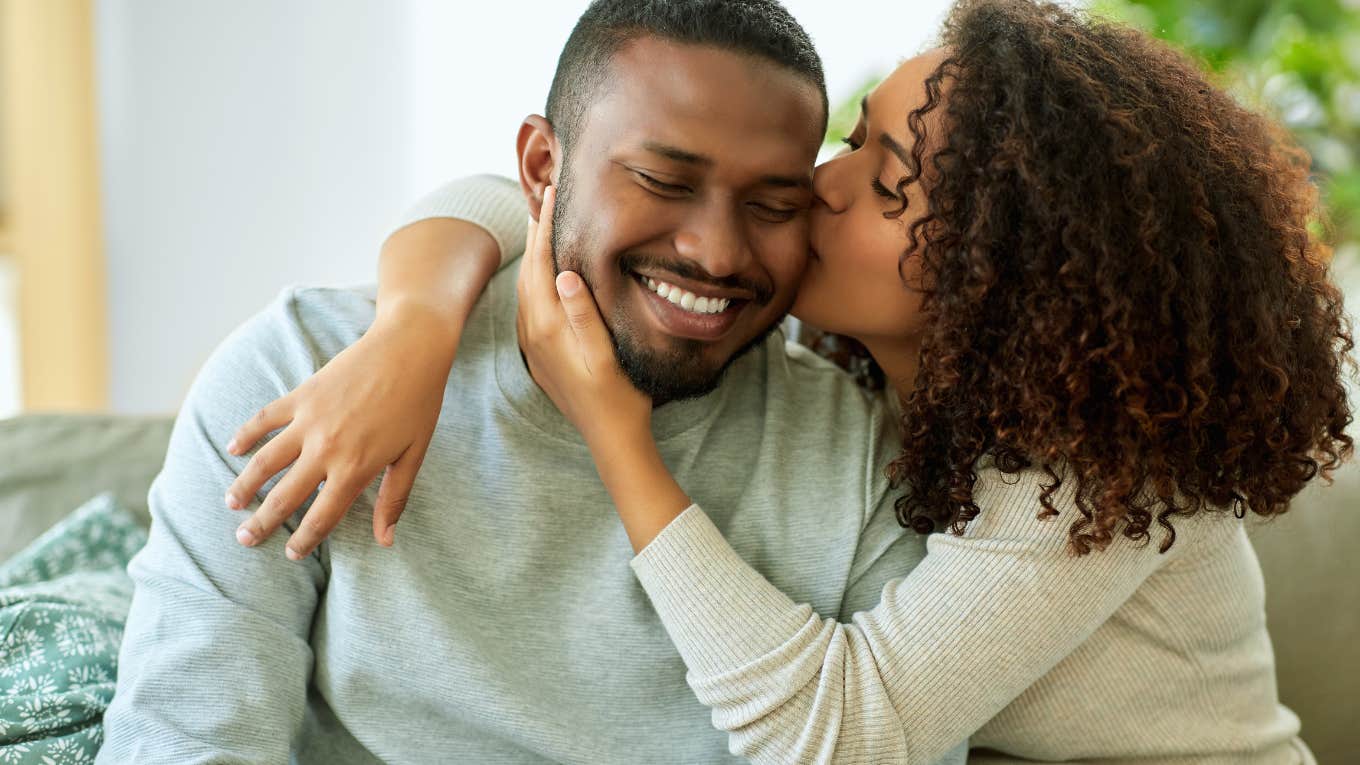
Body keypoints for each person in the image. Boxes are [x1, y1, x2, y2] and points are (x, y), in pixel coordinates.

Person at [221, 0, 1353, 763]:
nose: (822, 186)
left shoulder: (1093, 481)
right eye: (855, 139)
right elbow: (527, 196)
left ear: (999, 274)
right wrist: (412, 332)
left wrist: (617, 436)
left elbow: (841, 729)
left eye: (889, 183)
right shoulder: (882, 377)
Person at [97, 2, 972, 763]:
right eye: (664, 181)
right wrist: (415, 320)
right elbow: (186, 740)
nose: (716, 252)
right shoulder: (301, 373)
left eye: (775, 204)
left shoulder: (868, 466)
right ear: (542, 168)